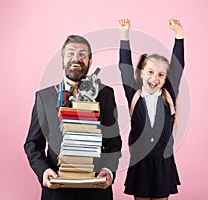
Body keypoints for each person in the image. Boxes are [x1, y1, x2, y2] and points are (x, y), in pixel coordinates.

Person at [24, 35, 122, 200]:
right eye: (71, 53)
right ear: (62, 60)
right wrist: (44, 171)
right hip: (57, 189)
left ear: (90, 62)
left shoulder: (105, 94)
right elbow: (33, 143)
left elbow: (113, 142)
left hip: (96, 189)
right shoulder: (44, 97)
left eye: (82, 54)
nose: (76, 58)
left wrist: (108, 171)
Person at [118, 18, 185, 200]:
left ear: (165, 79)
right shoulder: (134, 95)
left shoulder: (168, 95)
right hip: (141, 162)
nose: (155, 77)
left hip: (163, 162)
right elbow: (124, 68)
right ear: (141, 73)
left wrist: (179, 35)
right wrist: (124, 35)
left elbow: (178, 68)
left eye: (161, 74)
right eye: (150, 72)